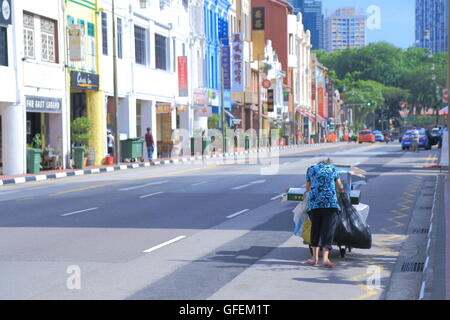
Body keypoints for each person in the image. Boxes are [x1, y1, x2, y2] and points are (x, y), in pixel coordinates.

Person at [305, 158, 344, 268]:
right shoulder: (332, 169)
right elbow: (340, 186)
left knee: (315, 230)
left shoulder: (311, 169)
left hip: (314, 205)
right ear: (328, 164)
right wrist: (343, 193)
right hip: (330, 204)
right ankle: (326, 259)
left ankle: (314, 258)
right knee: (327, 231)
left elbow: (308, 188)